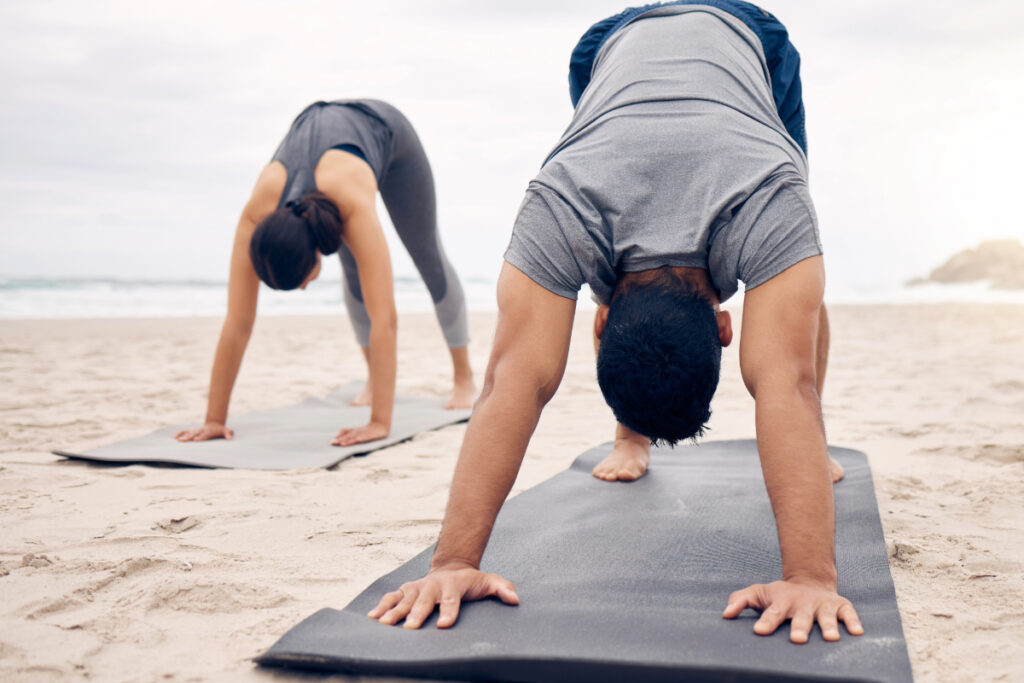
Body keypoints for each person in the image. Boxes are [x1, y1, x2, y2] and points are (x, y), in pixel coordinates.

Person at [368, 2, 866, 644]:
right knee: (789, 296)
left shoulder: (764, 198)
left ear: (597, 321)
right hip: (621, 47)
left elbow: (508, 381)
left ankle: (777, 438)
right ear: (726, 326)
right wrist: (807, 580)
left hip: (729, 51)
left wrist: (811, 575)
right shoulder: (567, 201)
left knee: (795, 284)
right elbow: (781, 382)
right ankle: (630, 440)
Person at [175, 99, 475, 447]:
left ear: (315, 250)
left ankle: (464, 377)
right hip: (324, 142)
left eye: (301, 281)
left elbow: (385, 319)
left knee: (428, 259)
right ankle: (374, 380)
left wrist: (379, 422)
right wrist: (214, 420)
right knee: (354, 276)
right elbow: (238, 322)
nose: (304, 289)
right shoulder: (255, 217)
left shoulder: (350, 202)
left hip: (390, 136)